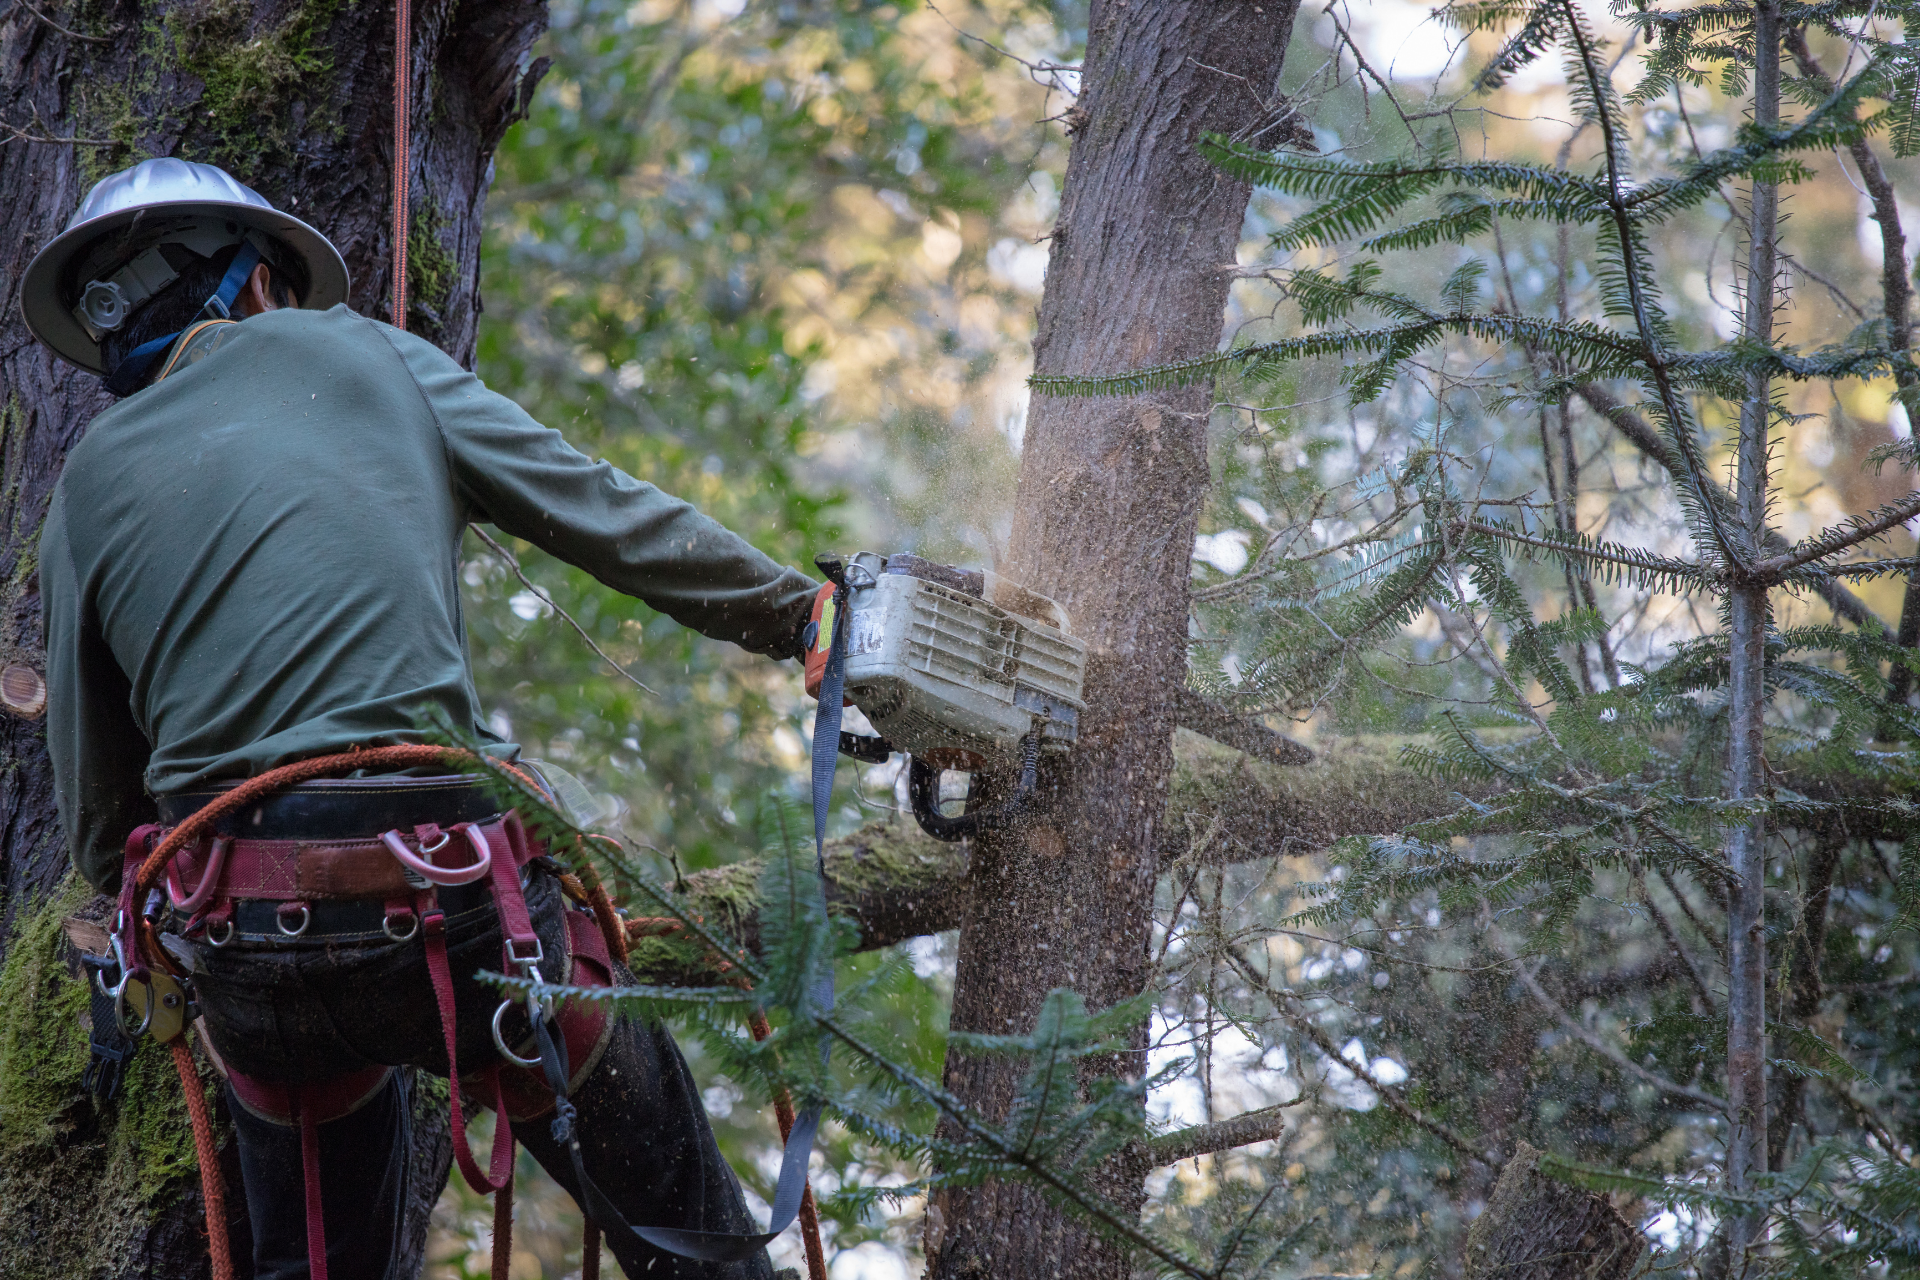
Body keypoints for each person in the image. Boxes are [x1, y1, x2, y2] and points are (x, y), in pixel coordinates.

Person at [22, 156, 818, 1279]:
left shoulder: (81, 487)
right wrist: (802, 616)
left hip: (251, 947)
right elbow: (601, 511)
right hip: (459, 903)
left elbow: (104, 823)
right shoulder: (372, 353)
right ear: (253, 285)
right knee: (693, 1228)